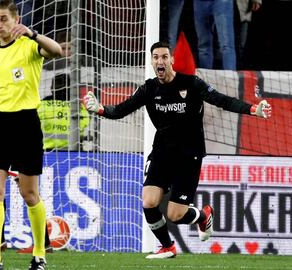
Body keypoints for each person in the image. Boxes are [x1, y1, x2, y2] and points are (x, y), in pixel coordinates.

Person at [83, 41, 272, 259]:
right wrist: (99, 108)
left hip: (188, 155)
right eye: (155, 57)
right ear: (152, 61)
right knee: (149, 201)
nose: (159, 61)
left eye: (164, 57)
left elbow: (221, 100)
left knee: (175, 214)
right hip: (162, 152)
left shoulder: (191, 84)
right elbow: (120, 110)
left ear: (171, 60)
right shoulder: (148, 88)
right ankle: (168, 247)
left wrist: (253, 109)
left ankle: (202, 216)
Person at [0, 1, 62, 270]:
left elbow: (56, 51)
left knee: (29, 194)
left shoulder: (29, 46)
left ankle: (39, 255)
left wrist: (33, 33)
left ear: (15, 20)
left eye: (3, 19)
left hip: (26, 123)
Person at [39, 73, 90, 150]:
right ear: (70, 88)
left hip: (46, 153)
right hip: (73, 153)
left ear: (52, 88)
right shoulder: (79, 107)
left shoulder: (41, 106)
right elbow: (84, 126)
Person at [193, 0, 237, 70]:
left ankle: (230, 79)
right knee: (203, 46)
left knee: (226, 45)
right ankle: (205, 80)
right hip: (199, 2)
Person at [235, 0, 262, 69]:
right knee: (224, 43)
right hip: (224, 6)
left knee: (242, 43)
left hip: (243, 8)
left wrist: (257, 1)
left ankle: (239, 70)